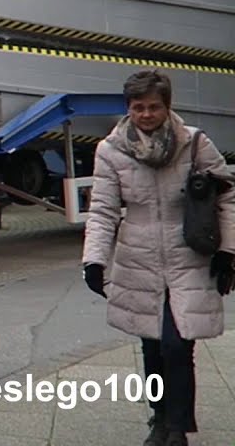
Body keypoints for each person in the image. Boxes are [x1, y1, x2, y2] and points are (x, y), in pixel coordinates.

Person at [82, 70, 235, 446]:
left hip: (189, 255)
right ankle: (160, 417)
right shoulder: (110, 151)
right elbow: (102, 210)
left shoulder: (194, 143)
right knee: (151, 346)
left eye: (154, 107)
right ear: (128, 109)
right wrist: (94, 260)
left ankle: (179, 427)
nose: (146, 115)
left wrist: (229, 251)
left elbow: (227, 196)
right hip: (139, 259)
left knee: (177, 343)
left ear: (168, 107)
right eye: (138, 108)